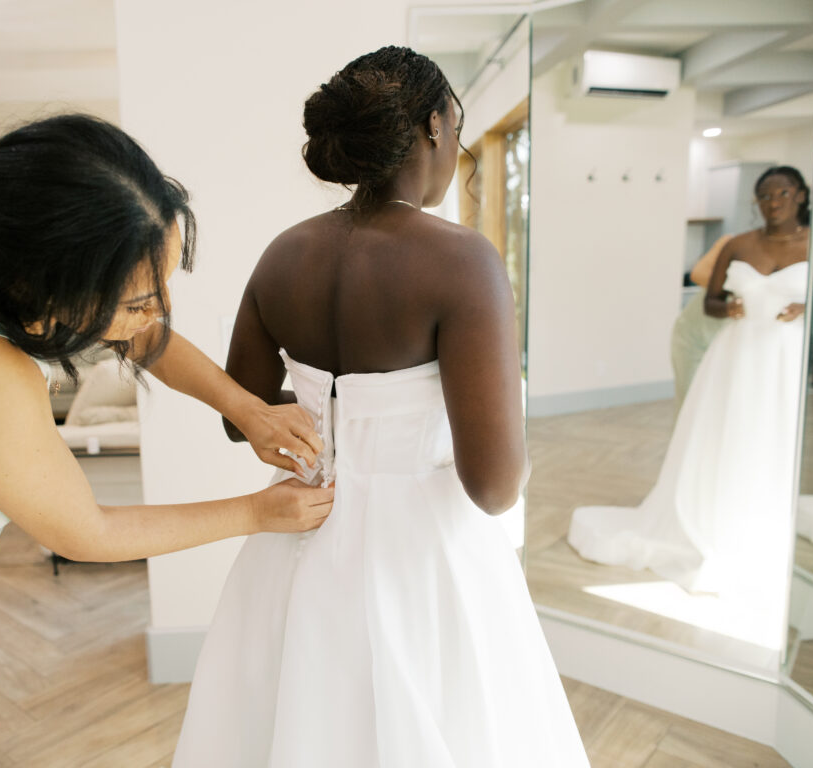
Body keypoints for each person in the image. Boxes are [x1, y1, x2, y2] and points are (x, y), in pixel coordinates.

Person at [0, 114, 334, 767]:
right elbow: (84, 532)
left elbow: (141, 339)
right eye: (139, 298)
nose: (159, 311)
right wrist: (256, 513)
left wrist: (246, 408)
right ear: (47, 280)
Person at [173, 47, 589, 767]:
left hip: (296, 536)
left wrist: (329, 425)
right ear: (433, 125)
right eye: (457, 128)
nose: (456, 146)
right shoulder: (462, 261)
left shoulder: (283, 254)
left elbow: (237, 412)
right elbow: (493, 487)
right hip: (421, 555)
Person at [569, 166, 810, 631]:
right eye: (764, 194)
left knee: (774, 436)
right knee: (724, 433)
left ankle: (762, 517)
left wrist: (808, 306)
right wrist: (732, 307)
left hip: (784, 357)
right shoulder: (738, 244)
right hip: (736, 354)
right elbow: (710, 301)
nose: (773, 200)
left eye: (782, 191)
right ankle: (715, 509)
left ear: (799, 195)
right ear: (756, 202)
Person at [671, 233, 731, 410]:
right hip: (694, 336)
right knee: (691, 405)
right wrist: (746, 287)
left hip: (729, 340)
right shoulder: (732, 242)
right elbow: (698, 274)